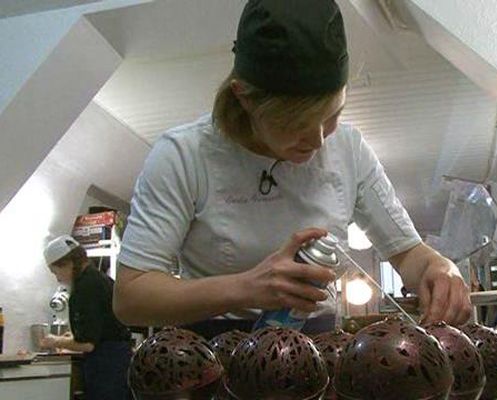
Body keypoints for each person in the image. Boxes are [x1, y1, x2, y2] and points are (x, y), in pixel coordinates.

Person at [114, 0, 471, 338]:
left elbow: (408, 252)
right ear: (244, 97)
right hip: (214, 358)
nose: (317, 141)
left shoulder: (349, 149)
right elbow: (131, 298)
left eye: (332, 115)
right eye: (296, 122)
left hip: (319, 352)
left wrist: (439, 269)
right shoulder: (183, 156)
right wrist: (245, 288)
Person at [41, 235, 132, 400]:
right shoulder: (99, 279)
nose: (57, 278)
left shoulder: (84, 288)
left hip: (106, 363)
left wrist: (54, 341)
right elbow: (97, 326)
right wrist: (72, 336)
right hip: (118, 358)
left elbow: (87, 344)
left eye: (55, 272)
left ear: (67, 264)